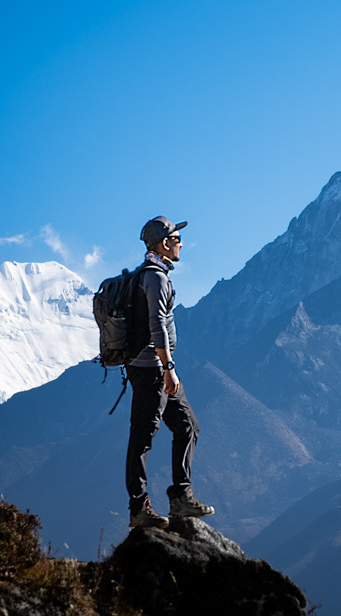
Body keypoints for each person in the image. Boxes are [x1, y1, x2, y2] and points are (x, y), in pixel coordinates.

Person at [126, 216, 215, 529]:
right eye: (177, 238)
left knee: (187, 424)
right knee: (143, 436)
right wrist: (169, 369)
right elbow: (157, 326)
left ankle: (180, 497)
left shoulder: (146, 274)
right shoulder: (156, 278)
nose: (181, 243)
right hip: (153, 369)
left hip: (149, 367)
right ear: (164, 243)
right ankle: (139, 508)